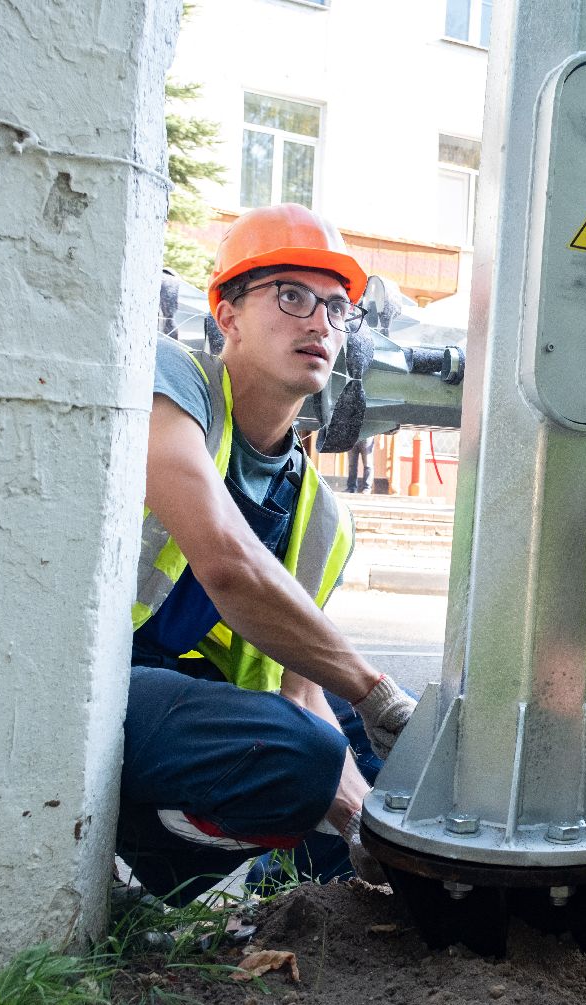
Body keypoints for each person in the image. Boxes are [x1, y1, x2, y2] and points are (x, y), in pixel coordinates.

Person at [117, 203, 416, 905]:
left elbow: (299, 693)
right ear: (227, 314)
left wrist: (365, 822)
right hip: (93, 684)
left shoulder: (323, 517)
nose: (319, 323)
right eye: (291, 295)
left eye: (337, 308)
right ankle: (143, 875)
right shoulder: (174, 382)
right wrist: (376, 692)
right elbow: (227, 562)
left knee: (368, 760)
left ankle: (308, 893)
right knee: (311, 755)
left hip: (192, 702)